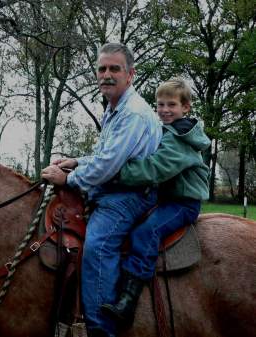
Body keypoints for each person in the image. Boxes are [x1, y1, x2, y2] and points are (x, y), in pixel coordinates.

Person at [41, 42, 162, 337]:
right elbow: (104, 155)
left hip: (129, 196)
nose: (106, 75)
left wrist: (67, 179)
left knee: (97, 248)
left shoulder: (133, 113)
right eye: (102, 69)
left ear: (130, 75)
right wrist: (75, 161)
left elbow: (108, 165)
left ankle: (100, 329)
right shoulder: (114, 109)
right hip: (113, 188)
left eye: (114, 69)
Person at [101, 78, 210, 327]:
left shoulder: (180, 138)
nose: (164, 109)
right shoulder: (164, 130)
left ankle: (128, 300)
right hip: (166, 199)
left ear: (186, 108)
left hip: (183, 203)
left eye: (171, 104)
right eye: (160, 104)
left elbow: (155, 169)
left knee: (146, 232)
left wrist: (116, 173)